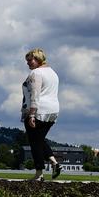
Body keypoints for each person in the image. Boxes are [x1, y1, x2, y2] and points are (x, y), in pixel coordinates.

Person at [21, 48, 61, 180]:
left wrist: (32, 115)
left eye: (30, 60)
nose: (28, 64)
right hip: (53, 110)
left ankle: (39, 173)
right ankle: (54, 162)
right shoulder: (53, 73)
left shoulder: (36, 73)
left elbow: (35, 95)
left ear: (38, 59)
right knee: (38, 139)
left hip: (39, 110)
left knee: (34, 143)